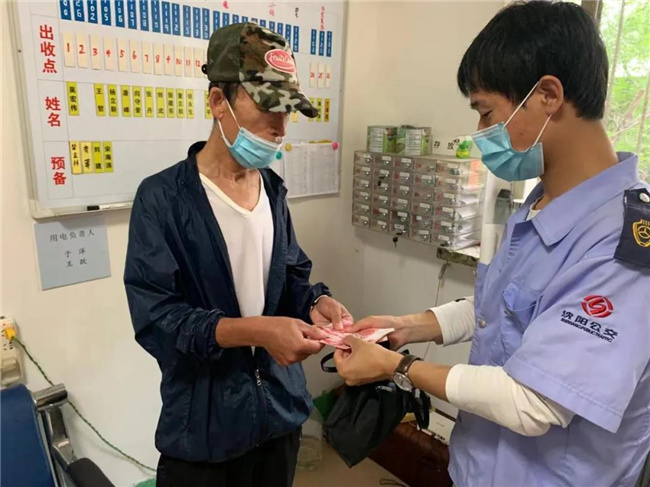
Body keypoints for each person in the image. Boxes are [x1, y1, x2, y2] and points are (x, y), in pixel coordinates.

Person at [334, 2, 650, 486]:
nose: (481, 134)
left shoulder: (623, 246)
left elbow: (533, 401)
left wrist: (398, 367)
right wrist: (409, 326)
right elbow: (502, 309)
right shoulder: (541, 205)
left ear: (548, 95)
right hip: (480, 467)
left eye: (486, 112)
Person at [124, 23, 351, 487]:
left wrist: (314, 302)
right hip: (204, 430)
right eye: (267, 107)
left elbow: (290, 277)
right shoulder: (163, 200)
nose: (279, 128)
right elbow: (157, 319)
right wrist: (256, 331)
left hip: (279, 418)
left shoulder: (272, 190)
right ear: (217, 101)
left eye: (287, 111)